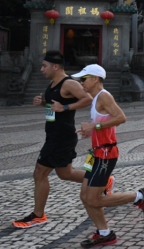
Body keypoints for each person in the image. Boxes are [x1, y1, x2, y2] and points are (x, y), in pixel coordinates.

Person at [74, 64, 144, 248]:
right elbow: (107, 122)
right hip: (96, 153)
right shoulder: (96, 98)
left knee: (93, 199)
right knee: (85, 196)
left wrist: (95, 126)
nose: (81, 83)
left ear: (95, 79)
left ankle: (140, 196)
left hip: (105, 154)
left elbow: (121, 117)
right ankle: (105, 233)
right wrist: (92, 131)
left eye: (84, 79)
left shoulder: (104, 96)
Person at [13, 51, 93, 229]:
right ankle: (102, 180)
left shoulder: (69, 83)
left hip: (61, 137)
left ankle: (38, 215)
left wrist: (65, 107)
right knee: (66, 174)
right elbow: (54, 107)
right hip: (54, 134)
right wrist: (43, 103)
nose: (42, 69)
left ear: (55, 66)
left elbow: (88, 98)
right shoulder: (52, 84)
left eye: (44, 66)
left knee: (39, 173)